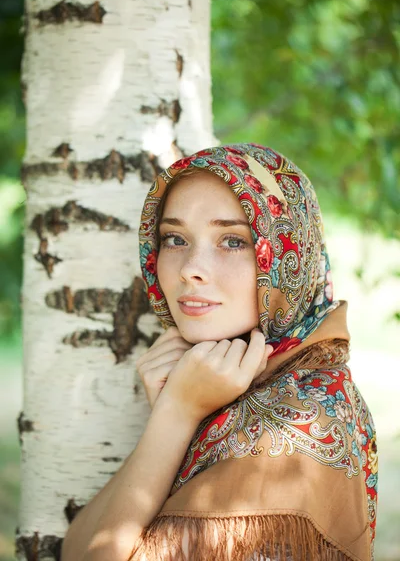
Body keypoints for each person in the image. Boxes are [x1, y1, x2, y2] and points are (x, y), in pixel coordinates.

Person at [61, 144, 377, 561]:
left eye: (232, 241)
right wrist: (177, 412)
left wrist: (175, 413)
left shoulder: (299, 420)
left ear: (288, 257)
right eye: (175, 239)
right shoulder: (222, 383)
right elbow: (76, 550)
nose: (192, 267)